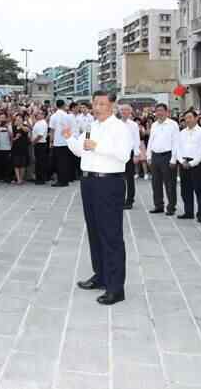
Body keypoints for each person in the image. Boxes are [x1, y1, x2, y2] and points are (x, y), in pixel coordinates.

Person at [65, 90, 131, 306]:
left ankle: (115, 288)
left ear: (112, 106)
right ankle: (101, 275)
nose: (98, 107)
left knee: (111, 234)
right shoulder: (91, 126)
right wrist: (69, 138)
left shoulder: (119, 127)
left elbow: (124, 155)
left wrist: (98, 146)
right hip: (89, 182)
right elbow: (81, 151)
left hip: (108, 182)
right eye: (95, 103)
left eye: (102, 104)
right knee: (94, 231)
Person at [146, 103, 178, 215]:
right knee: (156, 183)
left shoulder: (173, 124)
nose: (159, 113)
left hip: (167, 156)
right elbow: (151, 141)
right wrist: (148, 156)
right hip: (155, 156)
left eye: (161, 110)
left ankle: (171, 207)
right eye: (157, 111)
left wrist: (173, 159)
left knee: (169, 184)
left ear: (166, 111)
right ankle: (158, 205)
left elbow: (176, 142)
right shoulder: (154, 125)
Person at [177, 109, 201, 220]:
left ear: (196, 118)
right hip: (184, 163)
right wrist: (181, 161)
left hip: (196, 163)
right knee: (185, 189)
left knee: (198, 189)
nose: (188, 120)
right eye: (186, 118)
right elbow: (178, 148)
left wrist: (192, 163)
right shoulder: (182, 133)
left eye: (190, 117)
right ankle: (188, 212)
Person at [119, 104, 140, 209]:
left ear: (130, 112)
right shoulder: (116, 124)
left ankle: (130, 200)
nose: (124, 112)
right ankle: (120, 199)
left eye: (127, 110)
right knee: (119, 178)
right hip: (118, 154)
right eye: (122, 110)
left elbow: (136, 140)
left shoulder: (133, 125)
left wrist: (136, 154)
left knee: (129, 178)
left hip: (129, 153)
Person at [49, 100, 73, 187]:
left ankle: (61, 181)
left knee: (59, 163)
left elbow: (52, 130)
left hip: (57, 142)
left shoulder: (53, 116)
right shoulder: (67, 116)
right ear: (63, 106)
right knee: (65, 162)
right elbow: (70, 129)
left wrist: (51, 142)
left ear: (56, 106)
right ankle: (66, 180)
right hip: (66, 142)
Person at [30, 109, 49, 185]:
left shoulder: (43, 123)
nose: (37, 115)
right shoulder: (38, 122)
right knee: (38, 161)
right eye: (37, 113)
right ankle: (39, 177)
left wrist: (33, 142)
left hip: (40, 144)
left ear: (43, 115)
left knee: (41, 162)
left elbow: (40, 135)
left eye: (39, 114)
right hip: (38, 144)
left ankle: (41, 179)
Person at [11, 114, 30, 185]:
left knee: (23, 164)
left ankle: (21, 179)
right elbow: (11, 139)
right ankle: (18, 179)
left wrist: (21, 125)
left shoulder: (25, 126)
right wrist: (16, 138)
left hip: (23, 147)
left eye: (20, 118)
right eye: (17, 119)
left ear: (22, 119)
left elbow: (27, 130)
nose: (18, 120)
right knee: (16, 164)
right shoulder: (13, 127)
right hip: (16, 147)